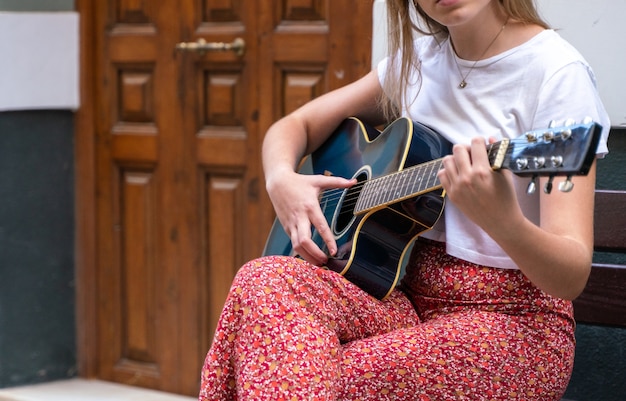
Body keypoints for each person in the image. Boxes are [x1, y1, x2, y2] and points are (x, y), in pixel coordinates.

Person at [199, 0, 610, 400]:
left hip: (511, 324)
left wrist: (504, 222)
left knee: (314, 371)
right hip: (403, 298)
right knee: (263, 281)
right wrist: (281, 180)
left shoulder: (556, 73)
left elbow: (570, 277)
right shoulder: (416, 64)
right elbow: (296, 125)